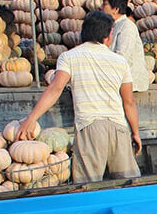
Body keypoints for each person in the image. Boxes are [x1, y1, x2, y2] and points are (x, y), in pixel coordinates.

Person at [17, 11, 141, 183]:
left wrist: (32, 118)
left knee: (88, 185)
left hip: (89, 127)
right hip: (118, 127)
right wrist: (135, 132)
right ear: (109, 35)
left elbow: (55, 89)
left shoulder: (69, 57)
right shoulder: (119, 61)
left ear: (83, 32)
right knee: (129, 183)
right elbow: (129, 102)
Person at [99, 0, 150, 93]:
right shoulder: (115, 25)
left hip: (130, 85)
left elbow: (122, 57)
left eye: (104, 4)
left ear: (115, 9)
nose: (101, 8)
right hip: (119, 83)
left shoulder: (127, 27)